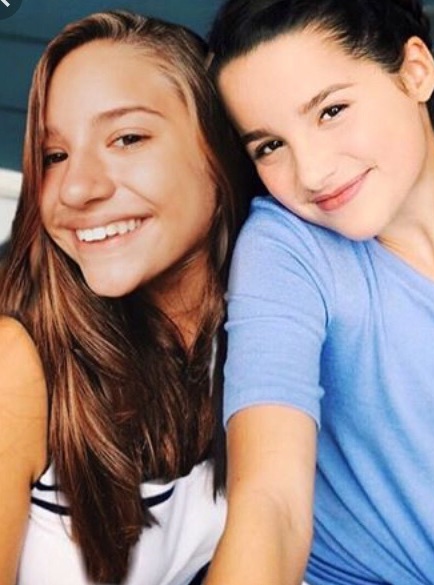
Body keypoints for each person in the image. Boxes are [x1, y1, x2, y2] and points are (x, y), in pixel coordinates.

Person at [204, 1, 434, 584]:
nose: (311, 172)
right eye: (270, 146)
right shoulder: (286, 248)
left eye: (331, 111)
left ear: (415, 72)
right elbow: (271, 504)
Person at [0, 9, 253, 585]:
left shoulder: (260, 333)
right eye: (54, 155)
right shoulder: (15, 360)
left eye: (128, 138)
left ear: (220, 150)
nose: (76, 187)